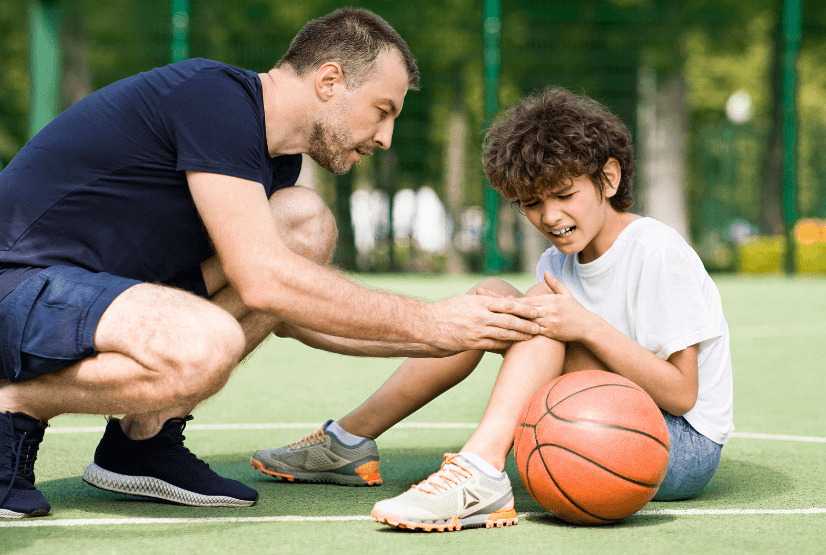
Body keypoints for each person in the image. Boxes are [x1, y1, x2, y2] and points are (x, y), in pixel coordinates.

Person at [0, 7, 544, 519]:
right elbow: (264, 280)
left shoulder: (273, 161)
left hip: (97, 292)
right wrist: (432, 321)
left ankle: (140, 440)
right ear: (330, 80)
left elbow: (287, 310)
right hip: (5, 291)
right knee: (208, 342)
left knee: (304, 223)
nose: (385, 137)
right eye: (383, 110)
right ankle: (8, 405)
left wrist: (459, 337)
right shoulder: (215, 99)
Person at [252, 86, 734, 531]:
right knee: (491, 299)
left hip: (677, 444)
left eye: (565, 195)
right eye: (531, 203)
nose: (550, 217)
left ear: (607, 178)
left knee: (539, 316)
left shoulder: (654, 250)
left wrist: (585, 327)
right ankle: (349, 441)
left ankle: (481, 472)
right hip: (602, 414)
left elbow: (681, 394)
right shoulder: (557, 261)